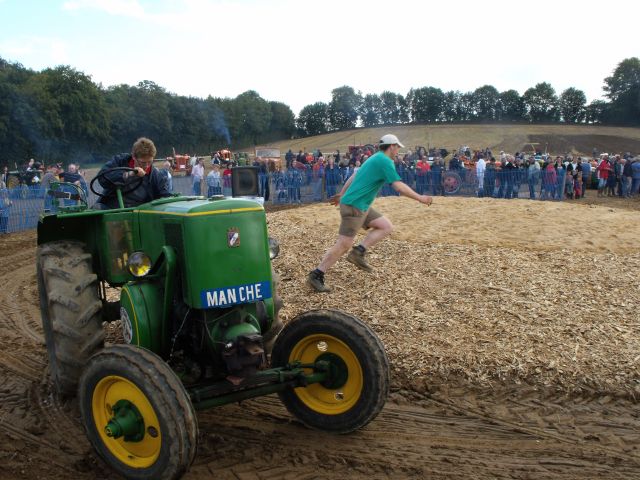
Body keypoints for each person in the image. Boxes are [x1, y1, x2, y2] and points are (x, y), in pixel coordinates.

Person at [307, 134, 433, 292]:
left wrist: (342, 194)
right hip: (355, 205)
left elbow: (354, 176)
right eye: (397, 147)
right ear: (392, 146)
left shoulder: (374, 158)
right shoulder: (385, 161)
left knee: (385, 226)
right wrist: (420, 198)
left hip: (360, 204)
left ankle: (358, 252)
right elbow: (398, 186)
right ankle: (316, 274)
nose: (398, 150)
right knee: (344, 244)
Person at [95, 137, 171, 209]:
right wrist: (130, 173)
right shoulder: (120, 161)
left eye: (150, 162)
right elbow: (102, 177)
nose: (147, 166)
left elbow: (164, 196)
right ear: (134, 157)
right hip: (112, 209)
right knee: (96, 210)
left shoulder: (155, 175)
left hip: (138, 212)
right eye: (143, 162)